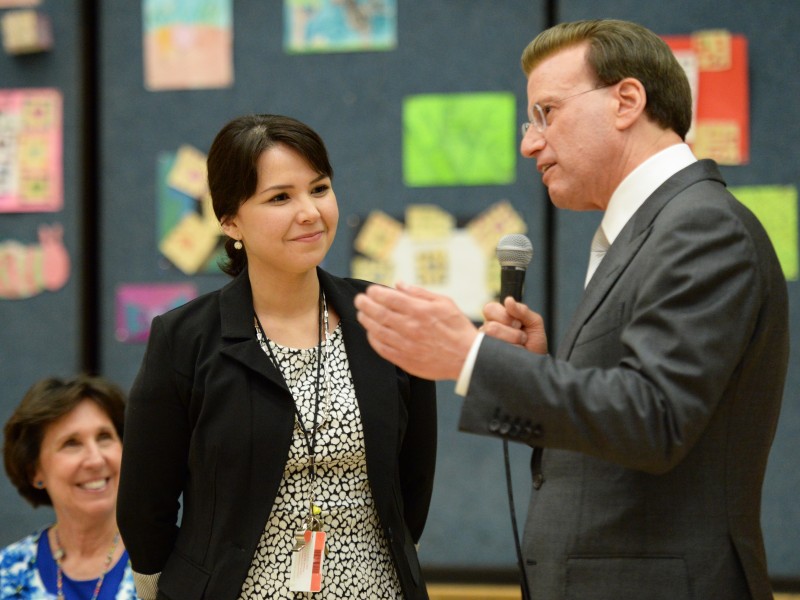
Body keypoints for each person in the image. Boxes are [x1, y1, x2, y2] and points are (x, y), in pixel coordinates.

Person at [354, 19, 789, 600]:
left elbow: (654, 420)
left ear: (626, 101)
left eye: (547, 113)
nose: (529, 142)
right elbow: (625, 422)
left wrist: (470, 358)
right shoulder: (652, 229)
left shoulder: (700, 227)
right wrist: (533, 370)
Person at [116, 114, 437, 600]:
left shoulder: (386, 317)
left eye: (320, 188)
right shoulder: (185, 338)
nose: (309, 212)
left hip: (375, 587)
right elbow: (146, 502)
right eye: (280, 197)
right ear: (230, 220)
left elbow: (412, 482)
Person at [0, 375, 137, 599]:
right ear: (35, 471)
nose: (95, 460)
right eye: (71, 443)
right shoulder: (7, 573)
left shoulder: (170, 566)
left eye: (104, 437)